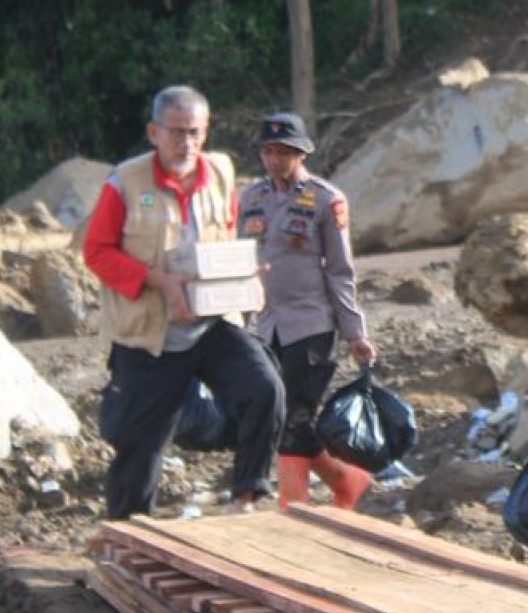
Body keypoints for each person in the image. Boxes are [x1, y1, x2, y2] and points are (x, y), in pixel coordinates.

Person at [83, 86, 288, 519]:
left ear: (206, 131)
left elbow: (228, 233)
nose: (186, 144)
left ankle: (245, 498)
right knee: (142, 442)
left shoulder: (221, 173)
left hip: (211, 324)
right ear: (153, 132)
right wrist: (157, 280)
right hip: (151, 333)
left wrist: (244, 276)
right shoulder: (124, 183)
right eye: (176, 133)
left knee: (265, 389)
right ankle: (128, 531)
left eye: (194, 133)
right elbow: (96, 252)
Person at [240, 112, 378, 510]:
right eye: (268, 151)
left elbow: (340, 270)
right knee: (280, 416)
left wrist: (355, 333)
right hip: (264, 326)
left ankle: (292, 510)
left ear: (301, 154)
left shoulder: (324, 199)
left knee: (294, 416)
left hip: (311, 324)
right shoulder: (250, 198)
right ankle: (347, 480)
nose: (275, 159)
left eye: (284, 152)